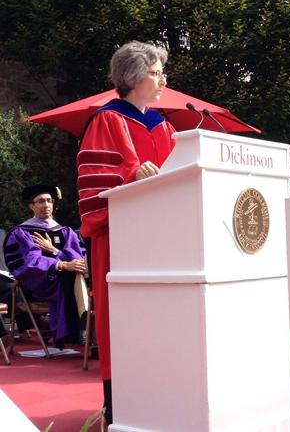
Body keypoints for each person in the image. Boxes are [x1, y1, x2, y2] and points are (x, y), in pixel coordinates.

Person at [77, 40, 176, 424]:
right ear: (134, 78)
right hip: (122, 241)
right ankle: (121, 408)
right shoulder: (107, 120)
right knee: (124, 321)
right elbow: (92, 182)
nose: (163, 79)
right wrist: (129, 174)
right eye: (156, 72)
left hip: (166, 239)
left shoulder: (165, 124)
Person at [3, 184, 87, 348]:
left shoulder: (65, 232)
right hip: (38, 283)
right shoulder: (23, 232)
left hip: (65, 277)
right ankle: (76, 331)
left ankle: (82, 329)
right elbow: (29, 263)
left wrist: (55, 251)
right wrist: (62, 265)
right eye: (40, 201)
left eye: (49, 201)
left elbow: (78, 260)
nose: (46, 205)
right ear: (31, 206)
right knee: (67, 276)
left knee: (76, 274)